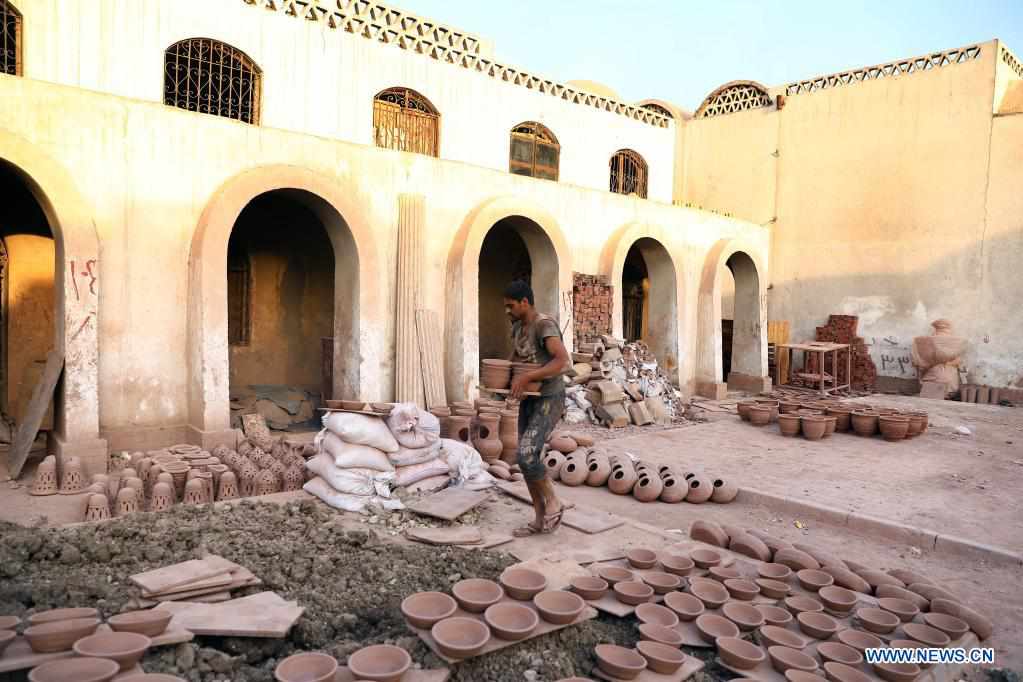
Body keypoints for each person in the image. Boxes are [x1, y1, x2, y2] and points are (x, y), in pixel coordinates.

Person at [502, 280, 571, 537]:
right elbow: (518, 359)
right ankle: (539, 520)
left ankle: (553, 501)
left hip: (548, 398)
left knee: (527, 454)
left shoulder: (544, 325)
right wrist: (506, 380)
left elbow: (563, 361)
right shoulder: (519, 327)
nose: (507, 311)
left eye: (511, 306)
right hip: (529, 399)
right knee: (526, 460)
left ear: (525, 302)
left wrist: (527, 378)